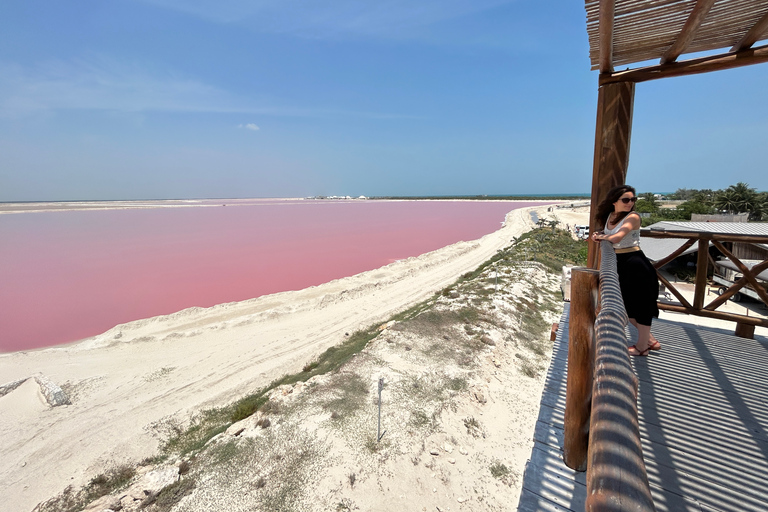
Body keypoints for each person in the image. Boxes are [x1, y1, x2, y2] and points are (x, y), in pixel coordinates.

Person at [591, 185, 661, 356]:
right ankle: (650, 340)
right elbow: (609, 233)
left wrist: (601, 237)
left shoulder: (633, 217)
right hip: (621, 263)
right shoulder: (611, 216)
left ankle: (642, 348)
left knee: (643, 306)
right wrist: (599, 234)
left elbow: (617, 237)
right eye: (626, 200)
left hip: (636, 264)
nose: (630, 203)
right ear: (614, 201)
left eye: (633, 200)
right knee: (627, 306)